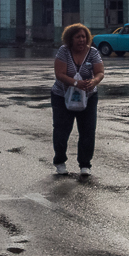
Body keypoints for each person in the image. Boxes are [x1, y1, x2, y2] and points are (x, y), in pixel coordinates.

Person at [51, 23, 105, 177]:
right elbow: (59, 74)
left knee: (88, 131)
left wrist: (94, 81)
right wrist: (75, 83)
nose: (81, 40)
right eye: (78, 37)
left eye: (83, 37)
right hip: (62, 96)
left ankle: (85, 164)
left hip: (88, 97)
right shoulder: (63, 51)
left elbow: (100, 72)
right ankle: (60, 161)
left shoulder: (93, 52)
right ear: (70, 39)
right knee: (61, 130)